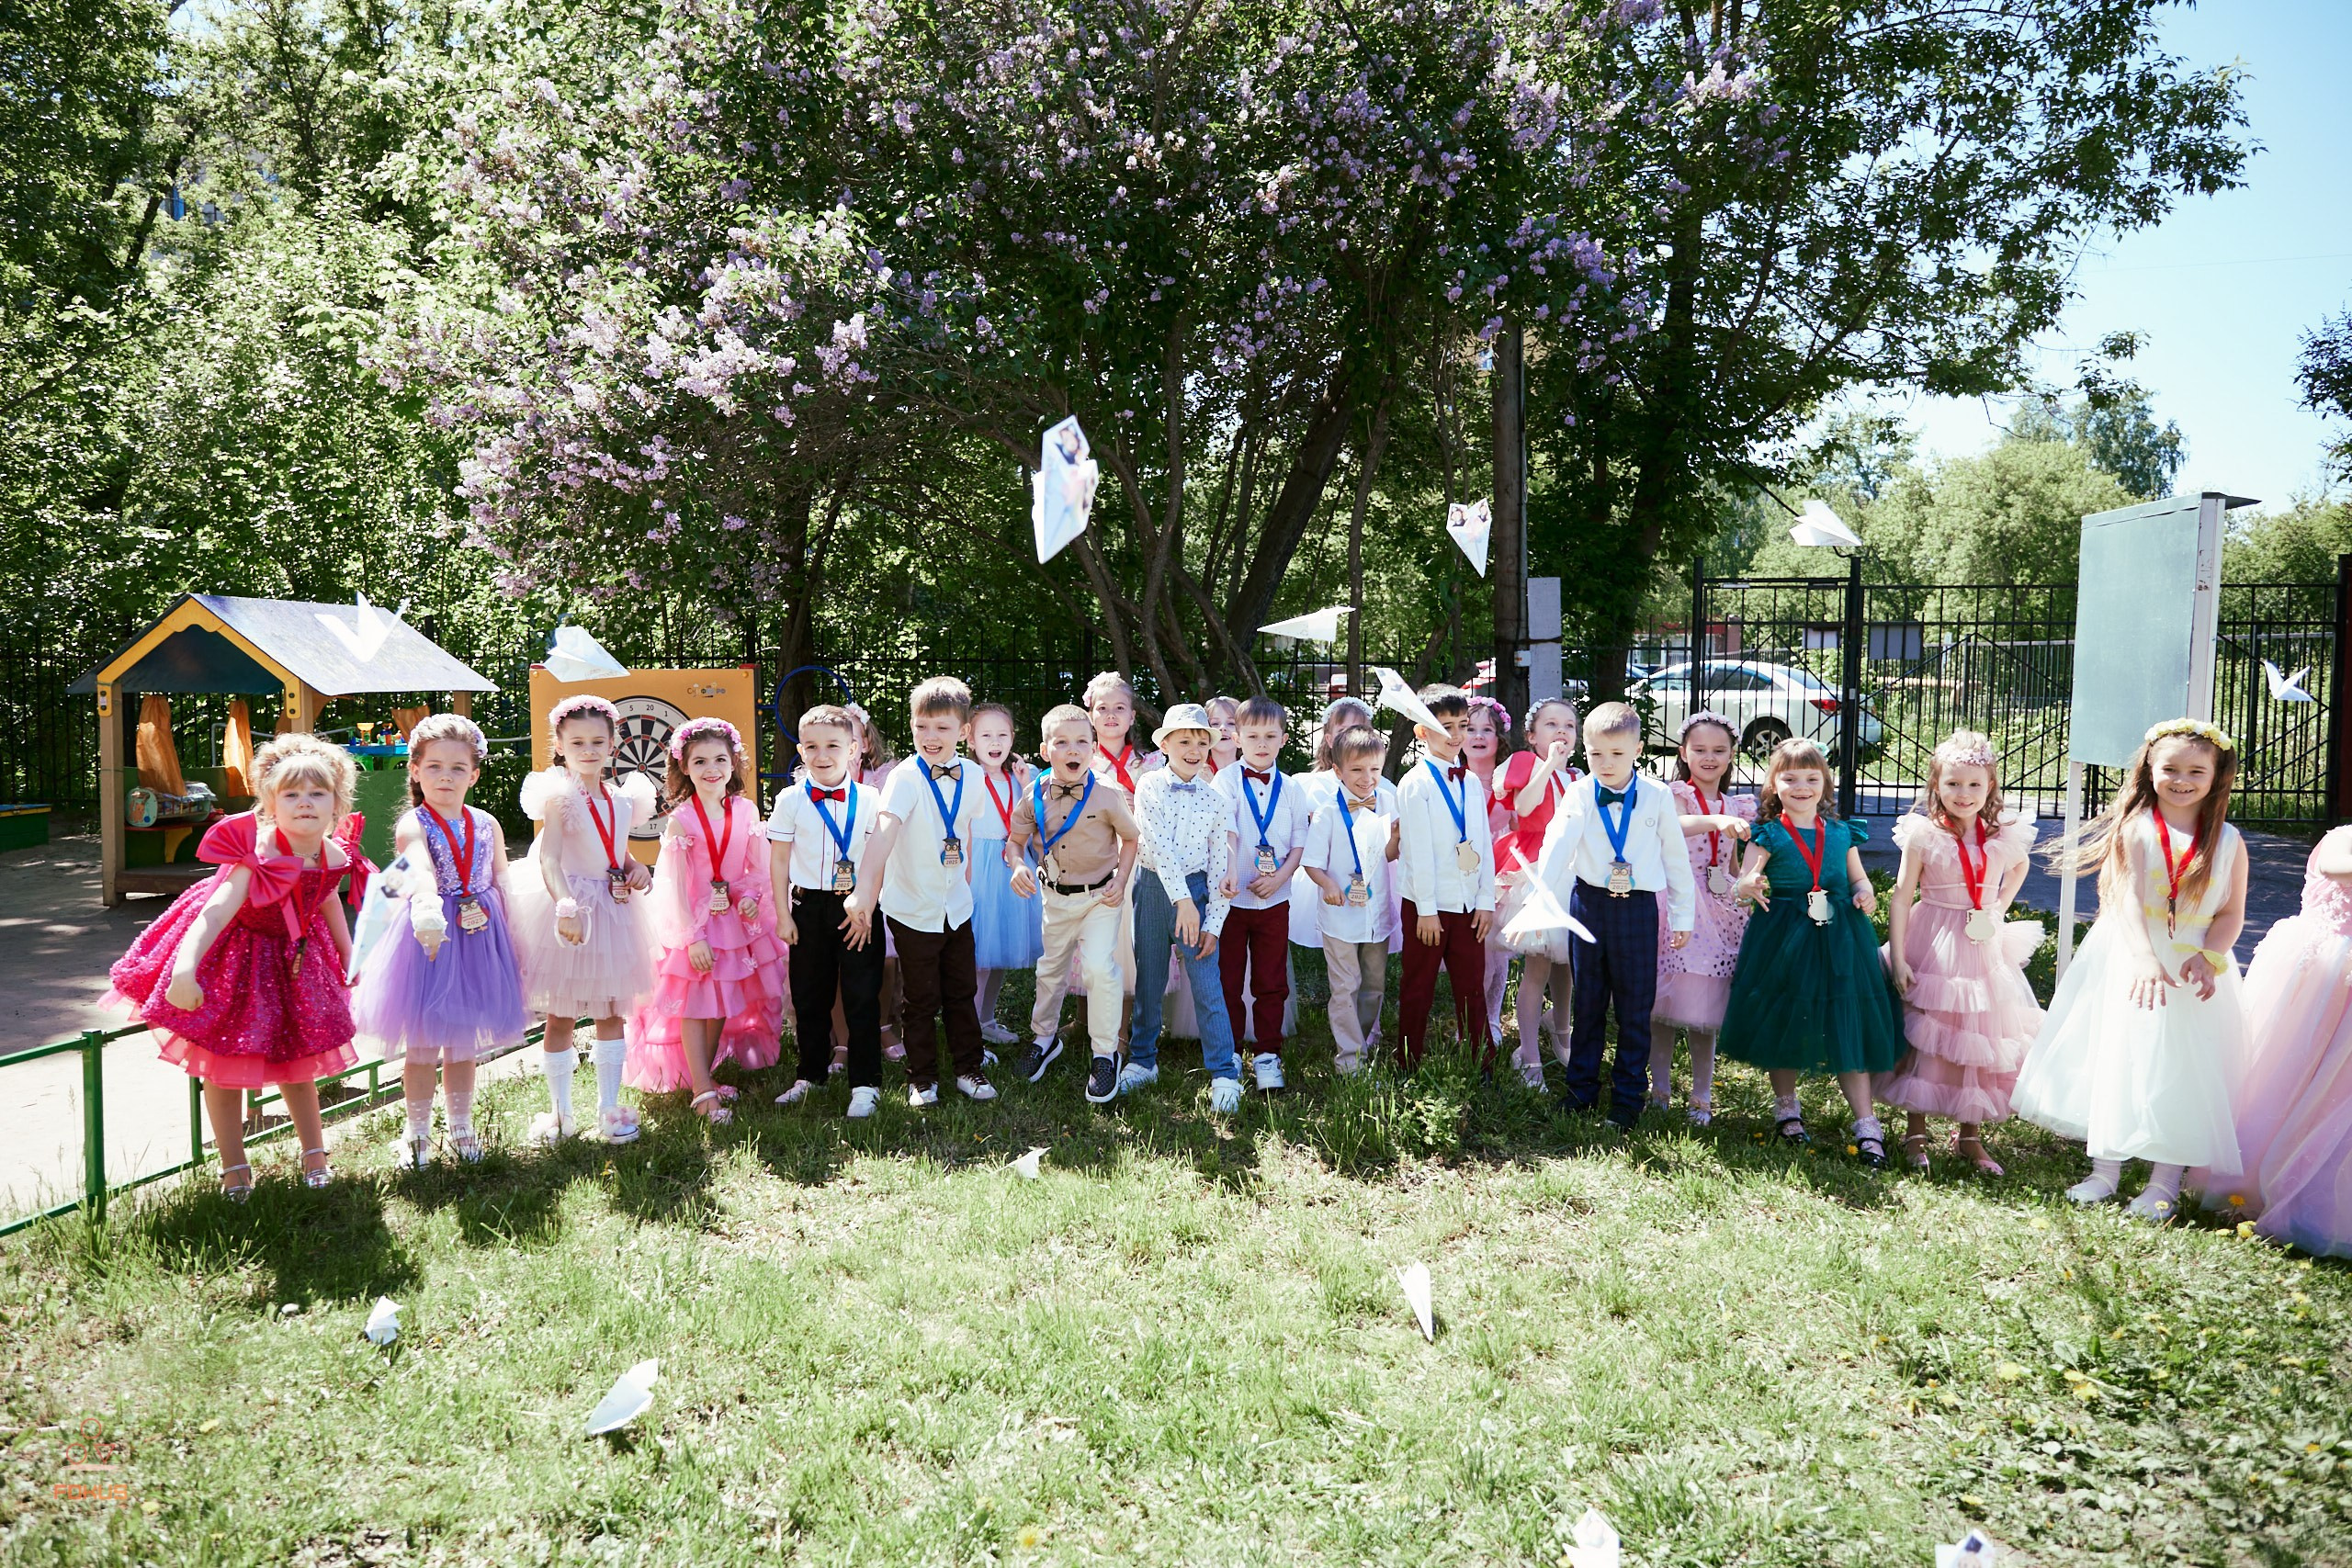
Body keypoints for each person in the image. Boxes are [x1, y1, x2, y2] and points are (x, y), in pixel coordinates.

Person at [107, 732, 368, 1197]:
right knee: (224, 1062)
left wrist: (350, 956)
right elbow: (216, 909)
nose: (304, 803)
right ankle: (234, 1168)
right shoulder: (258, 854)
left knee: (299, 1061)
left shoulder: (333, 854)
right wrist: (185, 969)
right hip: (235, 957)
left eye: (317, 793)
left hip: (294, 957)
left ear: (337, 803)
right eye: (291, 794)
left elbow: (327, 898)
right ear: (269, 801)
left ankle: (314, 1156)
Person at [2015, 719, 2248, 1220]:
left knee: (2182, 1070)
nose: (2181, 780)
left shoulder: (2227, 841)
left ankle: (2164, 1183)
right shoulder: (2137, 828)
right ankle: (2105, 1171)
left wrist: (2208, 957)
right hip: (2130, 954)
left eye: (2195, 771)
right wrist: (2144, 957)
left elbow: (2230, 914)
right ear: (2149, 769)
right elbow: (2124, 902)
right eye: (2170, 768)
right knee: (2117, 1055)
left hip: (2193, 965)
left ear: (2216, 775)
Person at [1717, 737, 1906, 1164]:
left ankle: (1866, 1124)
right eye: (1790, 778)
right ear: (1774, 784)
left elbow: (1858, 878)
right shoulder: (1767, 835)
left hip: (1841, 937)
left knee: (1847, 1019)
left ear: (1825, 783)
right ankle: (1787, 1110)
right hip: (1782, 936)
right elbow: (1743, 885)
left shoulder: (1841, 833)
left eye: (1811, 778)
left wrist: (1865, 894)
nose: (1801, 787)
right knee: (1782, 1016)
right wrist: (1746, 885)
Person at [354, 714, 527, 1168]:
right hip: (429, 938)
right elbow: (418, 865)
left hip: (480, 937)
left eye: (456, 768)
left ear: (473, 774)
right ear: (414, 771)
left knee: (464, 1044)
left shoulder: (487, 822)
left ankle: (463, 1127)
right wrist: (428, 905)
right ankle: (416, 1132)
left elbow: (503, 877)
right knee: (424, 1045)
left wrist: (517, 927)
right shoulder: (414, 822)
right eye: (433, 767)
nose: (445, 777)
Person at [1876, 729, 2041, 1173]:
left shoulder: (2001, 832)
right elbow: (1900, 893)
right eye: (1952, 784)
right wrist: (1902, 957)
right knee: (1930, 1030)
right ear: (1937, 786)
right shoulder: (1924, 834)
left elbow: (2021, 864)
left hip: (1981, 941)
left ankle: (1970, 1136)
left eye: (1974, 784)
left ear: (1990, 786)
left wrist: (1998, 906)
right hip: (1934, 936)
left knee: (1979, 1031)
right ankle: (1916, 1132)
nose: (1963, 794)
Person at [505, 694, 658, 1146]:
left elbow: (616, 849)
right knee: (561, 1015)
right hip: (575, 912)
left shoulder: (625, 798)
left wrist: (635, 867)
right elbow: (549, 859)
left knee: (612, 1011)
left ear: (613, 744)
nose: (588, 750)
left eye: (597, 741)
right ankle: (560, 1113)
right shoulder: (560, 798)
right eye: (577, 743)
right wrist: (565, 905)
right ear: (560, 745)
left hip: (614, 911)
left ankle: (610, 1109)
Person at [1532, 701, 1694, 1125]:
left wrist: (1682, 916)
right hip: (1589, 905)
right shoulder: (1580, 792)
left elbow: (1677, 860)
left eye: (1618, 754)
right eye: (1596, 754)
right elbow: (1557, 845)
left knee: (1634, 1007)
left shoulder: (1657, 795)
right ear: (1583, 749)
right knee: (1587, 1003)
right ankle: (1581, 1090)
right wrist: (1539, 900)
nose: (1606, 763)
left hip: (1638, 909)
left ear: (1638, 749)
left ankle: (1627, 1099)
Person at [2199, 823, 2352, 1256]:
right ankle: (2248, 1178)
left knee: (2338, 1092)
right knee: (2287, 1071)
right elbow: (2336, 866)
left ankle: (2321, 1190)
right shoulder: (2343, 838)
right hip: (2321, 977)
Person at [849, 677, 998, 1107]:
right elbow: (884, 833)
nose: (930, 738)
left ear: (963, 732)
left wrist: (963, 885)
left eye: (942, 728)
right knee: (920, 997)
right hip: (913, 907)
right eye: (922, 727)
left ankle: (969, 1068)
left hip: (956, 907)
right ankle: (922, 1077)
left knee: (961, 991)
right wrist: (864, 892)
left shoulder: (972, 774)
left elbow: (965, 830)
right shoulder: (903, 778)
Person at [628, 718, 783, 1124]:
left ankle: (705, 1076)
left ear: (734, 763)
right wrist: (691, 937)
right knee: (697, 1005)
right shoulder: (683, 820)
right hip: (696, 925)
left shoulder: (746, 810)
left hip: (732, 923)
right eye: (700, 761)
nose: (711, 768)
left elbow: (757, 867)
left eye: (720, 759)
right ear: (685, 768)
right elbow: (675, 887)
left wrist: (750, 896)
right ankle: (702, 1091)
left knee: (719, 1003)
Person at [1008, 704, 1142, 1102]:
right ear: (1046, 751)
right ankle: (1044, 1038)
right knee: (1051, 970)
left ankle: (1105, 1053)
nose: (1073, 749)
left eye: (1082, 741)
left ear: (1092, 747)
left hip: (1102, 897)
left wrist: (1120, 879)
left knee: (1101, 969)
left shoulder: (1107, 794)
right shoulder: (1034, 794)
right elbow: (1015, 842)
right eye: (1062, 742)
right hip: (1055, 898)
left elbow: (1131, 838)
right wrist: (1017, 866)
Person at [1119, 702, 1245, 1111]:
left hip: (1197, 892)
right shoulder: (1149, 785)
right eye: (1184, 740)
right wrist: (1182, 902)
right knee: (1150, 975)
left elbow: (1220, 868)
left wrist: (1213, 923)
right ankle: (1142, 1059)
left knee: (1208, 980)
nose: (1194, 748)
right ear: (1166, 745)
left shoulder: (1214, 799)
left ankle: (1224, 1070)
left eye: (1201, 741)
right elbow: (1156, 845)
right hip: (1156, 887)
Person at [767, 705, 886, 1119]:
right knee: (809, 995)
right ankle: (811, 1074)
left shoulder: (872, 799)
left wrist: (867, 904)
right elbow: (779, 861)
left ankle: (866, 1082)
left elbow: (878, 857)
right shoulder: (789, 800)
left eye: (833, 745)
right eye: (813, 746)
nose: (822, 755)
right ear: (801, 750)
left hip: (858, 907)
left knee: (861, 995)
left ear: (853, 749)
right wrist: (783, 915)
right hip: (808, 907)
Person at [1645, 711, 1751, 1124]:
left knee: (1706, 1010)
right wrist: (1715, 820)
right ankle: (1660, 1089)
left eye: (1719, 751)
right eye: (1700, 749)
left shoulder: (1736, 803)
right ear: (1683, 753)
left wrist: (1745, 886)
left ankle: (1702, 1097)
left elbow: (1735, 862)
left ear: (1731, 756)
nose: (1709, 757)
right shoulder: (1676, 794)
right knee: (1665, 1004)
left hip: (1720, 909)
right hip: (1679, 905)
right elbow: (1672, 826)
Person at [1395, 684, 1498, 1073]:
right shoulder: (1414, 784)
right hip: (1427, 906)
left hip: (1468, 905)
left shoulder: (1470, 782)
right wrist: (1425, 911)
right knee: (1418, 985)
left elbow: (1483, 844)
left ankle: (1481, 1061)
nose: (1457, 736)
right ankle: (1408, 1061)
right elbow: (1417, 852)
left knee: (1471, 986)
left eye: (1463, 726)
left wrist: (1485, 900)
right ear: (1421, 732)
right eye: (1445, 727)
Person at [1214, 695, 1306, 1091]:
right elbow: (1226, 828)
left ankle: (1268, 1053)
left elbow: (1300, 840)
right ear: (1237, 737)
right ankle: (1231, 1049)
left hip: (1275, 900)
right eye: (1252, 736)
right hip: (1232, 899)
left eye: (1270, 736)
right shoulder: (1226, 779)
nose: (1261, 743)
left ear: (1284, 739)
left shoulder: (1292, 788)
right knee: (1228, 976)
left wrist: (1281, 877)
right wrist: (1232, 869)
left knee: (1270, 979)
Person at [1302, 723, 1400, 1076]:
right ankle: (1350, 1058)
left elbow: (1386, 855)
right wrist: (1327, 883)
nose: (1367, 778)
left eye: (1374, 769)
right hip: (1340, 913)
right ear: (1339, 771)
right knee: (1345, 985)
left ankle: (1361, 1037)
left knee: (1373, 983)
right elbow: (1311, 861)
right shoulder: (1329, 812)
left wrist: (1397, 839)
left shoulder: (1388, 802)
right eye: (1357, 770)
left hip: (1377, 913)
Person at [1495, 697, 1580, 1088]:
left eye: (1569, 725)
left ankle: (1560, 1028)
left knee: (1566, 961)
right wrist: (1549, 766)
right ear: (1531, 736)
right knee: (1539, 964)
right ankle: (1528, 1055)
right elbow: (1525, 807)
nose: (1561, 731)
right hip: (1537, 870)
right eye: (1551, 725)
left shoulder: (1579, 776)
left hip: (1574, 872)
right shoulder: (1527, 765)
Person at [967, 702, 1044, 1047]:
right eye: (986, 735)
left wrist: (1028, 787)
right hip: (979, 868)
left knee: (999, 949)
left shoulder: (1019, 779)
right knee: (977, 954)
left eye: (1002, 734)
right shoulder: (966, 777)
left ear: (1013, 738)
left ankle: (986, 1018)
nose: (994, 742)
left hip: (1012, 865)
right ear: (970, 739)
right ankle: (967, 1026)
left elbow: (1033, 822)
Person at [1464, 694, 1515, 1049]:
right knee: (1468, 951)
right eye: (1469, 728)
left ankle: (1492, 1017)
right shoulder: (1452, 779)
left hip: (1500, 873)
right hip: (1462, 869)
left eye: (1487, 729)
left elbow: (1518, 826)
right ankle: (1468, 1014)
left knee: (1495, 950)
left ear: (1500, 738)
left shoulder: (1511, 782)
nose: (1478, 736)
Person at [1204, 695, 1243, 774]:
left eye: (1231, 723)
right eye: (1215, 723)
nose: (1223, 728)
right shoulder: (1194, 774)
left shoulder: (1254, 772)